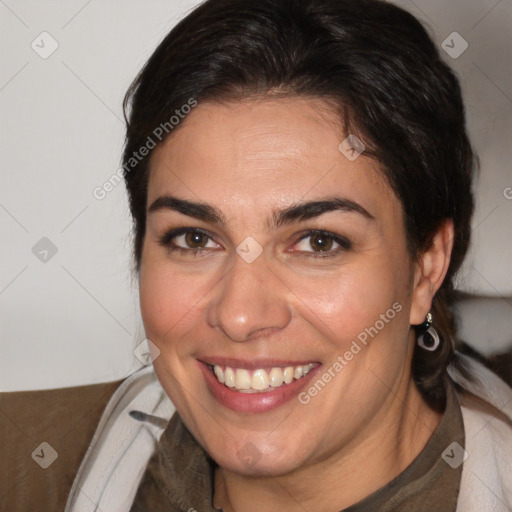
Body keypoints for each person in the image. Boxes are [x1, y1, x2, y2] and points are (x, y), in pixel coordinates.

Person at [63, 0, 512, 511]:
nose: (239, 316)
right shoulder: (25, 467)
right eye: (194, 239)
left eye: (318, 242)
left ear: (426, 267)